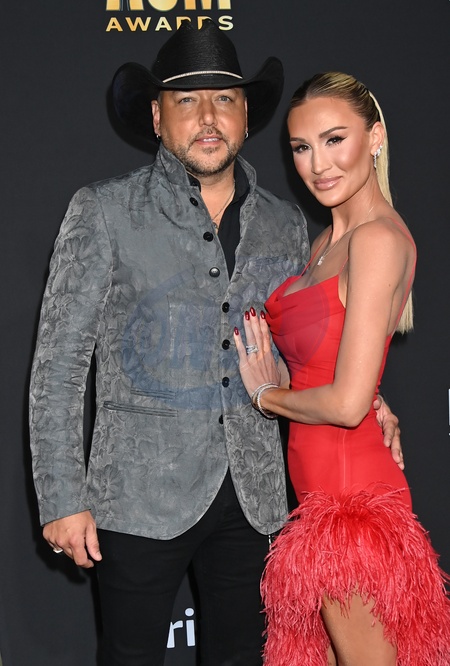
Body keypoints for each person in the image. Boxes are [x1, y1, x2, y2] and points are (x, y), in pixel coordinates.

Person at [29, 22, 401, 666]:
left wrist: (371, 396)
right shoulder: (104, 211)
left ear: (246, 114)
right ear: (157, 117)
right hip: (139, 497)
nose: (207, 117)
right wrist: (62, 498)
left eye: (224, 98)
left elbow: (311, 336)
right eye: (186, 100)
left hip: (258, 500)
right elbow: (58, 365)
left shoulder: (287, 223)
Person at [234, 71, 450, 665]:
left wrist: (267, 396)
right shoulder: (327, 242)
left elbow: (348, 403)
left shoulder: (376, 240)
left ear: (374, 137)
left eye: (335, 140)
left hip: (352, 510)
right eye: (302, 147)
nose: (318, 164)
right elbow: (332, 365)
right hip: (319, 503)